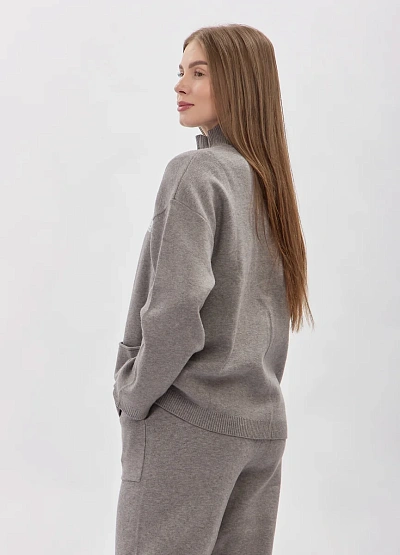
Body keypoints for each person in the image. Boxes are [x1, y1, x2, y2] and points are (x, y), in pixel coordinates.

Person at [113, 23, 314, 555]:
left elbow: (176, 311)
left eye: (199, 73)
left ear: (239, 83)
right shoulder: (270, 185)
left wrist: (133, 391)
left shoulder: (196, 172)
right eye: (181, 71)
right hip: (261, 429)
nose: (181, 85)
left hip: (190, 426)